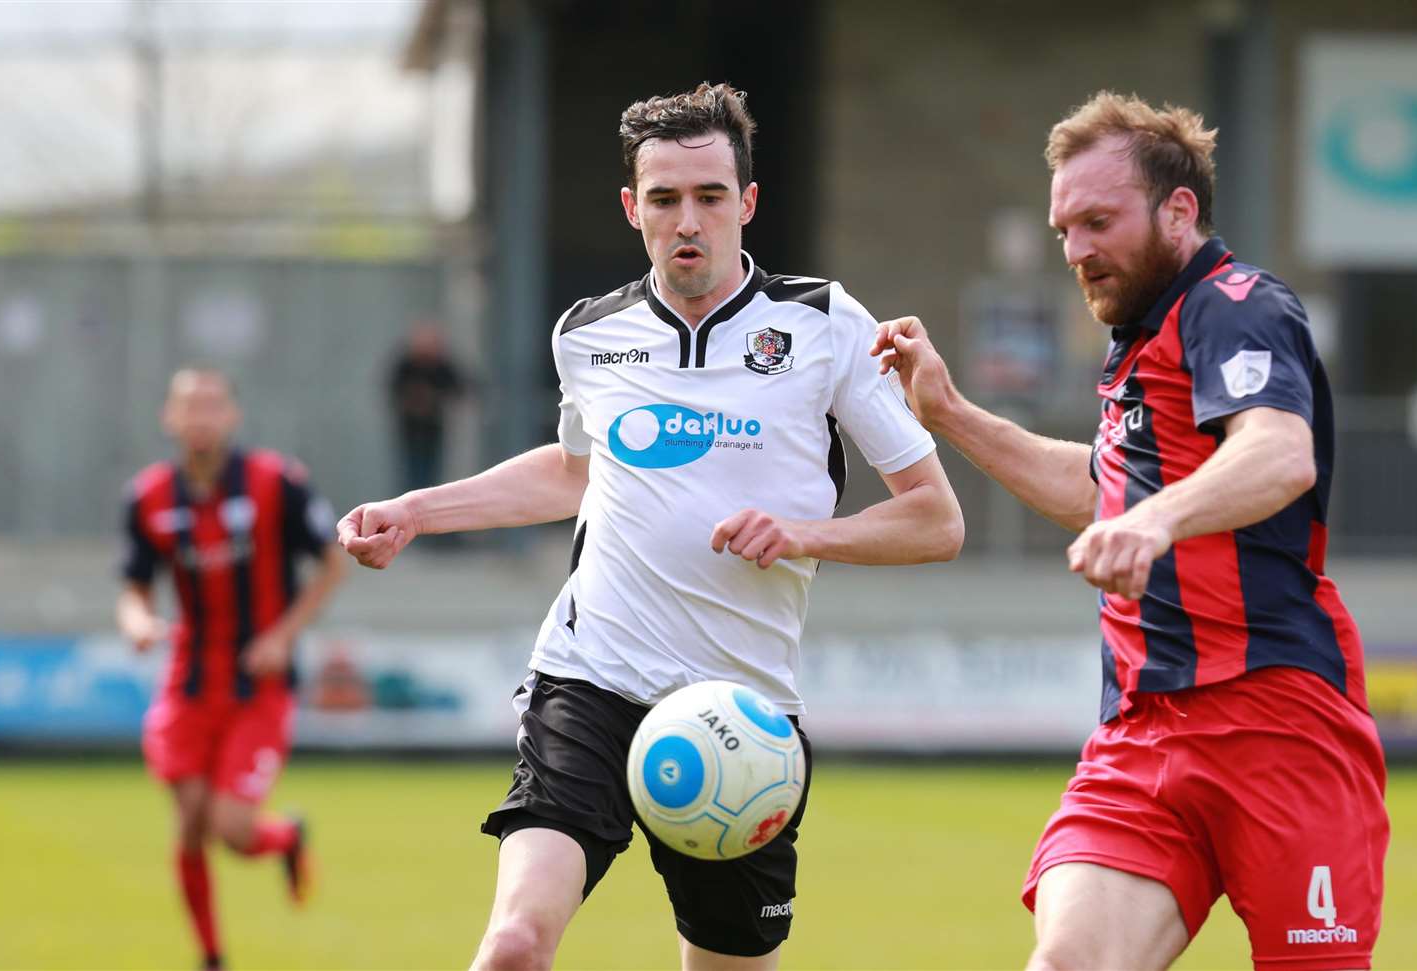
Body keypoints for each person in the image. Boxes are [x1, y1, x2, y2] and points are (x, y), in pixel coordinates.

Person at [337, 83, 963, 971]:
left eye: (710, 197)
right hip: (591, 679)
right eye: (664, 199)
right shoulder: (589, 334)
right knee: (514, 942)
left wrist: (801, 533)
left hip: (739, 718)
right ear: (634, 209)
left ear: (747, 203)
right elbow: (575, 473)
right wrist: (414, 511)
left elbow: (936, 520)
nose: (688, 221)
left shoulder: (824, 324)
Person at [872, 92, 1389, 970]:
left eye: (1098, 221)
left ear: (1178, 211)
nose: (1076, 251)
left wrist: (1153, 520)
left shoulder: (1238, 305)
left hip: (1278, 720)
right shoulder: (1136, 340)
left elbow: (1278, 453)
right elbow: (1101, 487)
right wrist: (950, 412)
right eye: (1063, 229)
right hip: (1143, 730)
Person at [117, 367, 348, 971]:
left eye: (212, 405)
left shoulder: (277, 482)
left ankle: (286, 837)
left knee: (233, 828)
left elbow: (331, 564)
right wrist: (138, 624)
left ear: (233, 416)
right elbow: (134, 589)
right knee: (190, 824)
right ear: (170, 418)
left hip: (258, 685)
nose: (200, 416)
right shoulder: (148, 496)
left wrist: (281, 636)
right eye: (188, 406)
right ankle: (211, 955)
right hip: (189, 684)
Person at [388, 320, 474, 496]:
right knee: (411, 472)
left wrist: (434, 398)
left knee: (431, 472)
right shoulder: (406, 364)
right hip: (410, 429)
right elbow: (392, 389)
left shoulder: (441, 365)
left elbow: (461, 388)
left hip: (432, 429)